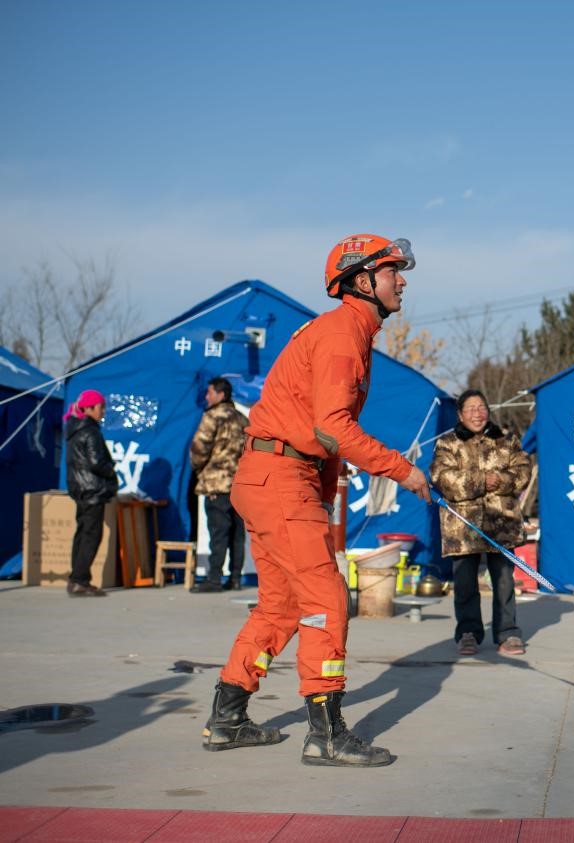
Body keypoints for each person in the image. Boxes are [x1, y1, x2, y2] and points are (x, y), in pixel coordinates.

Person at [202, 233, 432, 768]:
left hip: (274, 477)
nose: (403, 279)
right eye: (393, 270)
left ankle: (227, 716)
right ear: (361, 281)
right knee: (328, 600)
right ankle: (326, 733)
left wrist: (324, 496)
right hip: (280, 478)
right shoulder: (341, 334)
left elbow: (320, 430)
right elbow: (333, 427)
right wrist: (402, 470)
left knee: (281, 606)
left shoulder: (347, 332)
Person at [430, 389, 531, 657]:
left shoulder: (507, 440)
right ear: (460, 415)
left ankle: (507, 633)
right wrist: (479, 481)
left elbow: (522, 471)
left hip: (502, 523)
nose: (477, 413)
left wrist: (502, 481)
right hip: (463, 527)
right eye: (471, 409)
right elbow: (442, 478)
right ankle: (468, 632)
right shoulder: (448, 444)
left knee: (504, 582)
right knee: (465, 583)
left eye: (481, 407)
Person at [189, 376, 249, 592]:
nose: (206, 396)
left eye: (209, 392)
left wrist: (199, 468)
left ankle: (214, 579)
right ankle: (235, 579)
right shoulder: (243, 420)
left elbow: (199, 448)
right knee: (237, 533)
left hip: (217, 483)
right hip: (240, 485)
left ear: (220, 395)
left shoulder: (212, 416)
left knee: (218, 531)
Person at [63, 389, 118, 597]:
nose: (103, 411)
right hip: (93, 489)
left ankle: (76, 578)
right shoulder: (90, 430)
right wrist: (110, 469)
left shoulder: (74, 429)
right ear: (89, 408)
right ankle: (80, 580)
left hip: (80, 488)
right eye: (100, 407)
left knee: (82, 533)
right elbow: (97, 462)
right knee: (91, 535)